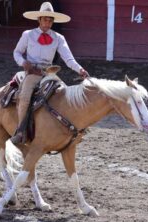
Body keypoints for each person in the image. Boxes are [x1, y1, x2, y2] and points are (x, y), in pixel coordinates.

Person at [11, 2, 89, 144]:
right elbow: (17, 52)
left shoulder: (58, 38)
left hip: (50, 72)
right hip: (33, 72)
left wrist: (80, 69)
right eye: (45, 19)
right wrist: (23, 63)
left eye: (50, 20)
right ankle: (21, 131)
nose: (48, 23)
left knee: (67, 95)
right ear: (39, 19)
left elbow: (68, 58)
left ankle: (75, 129)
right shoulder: (28, 35)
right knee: (25, 97)